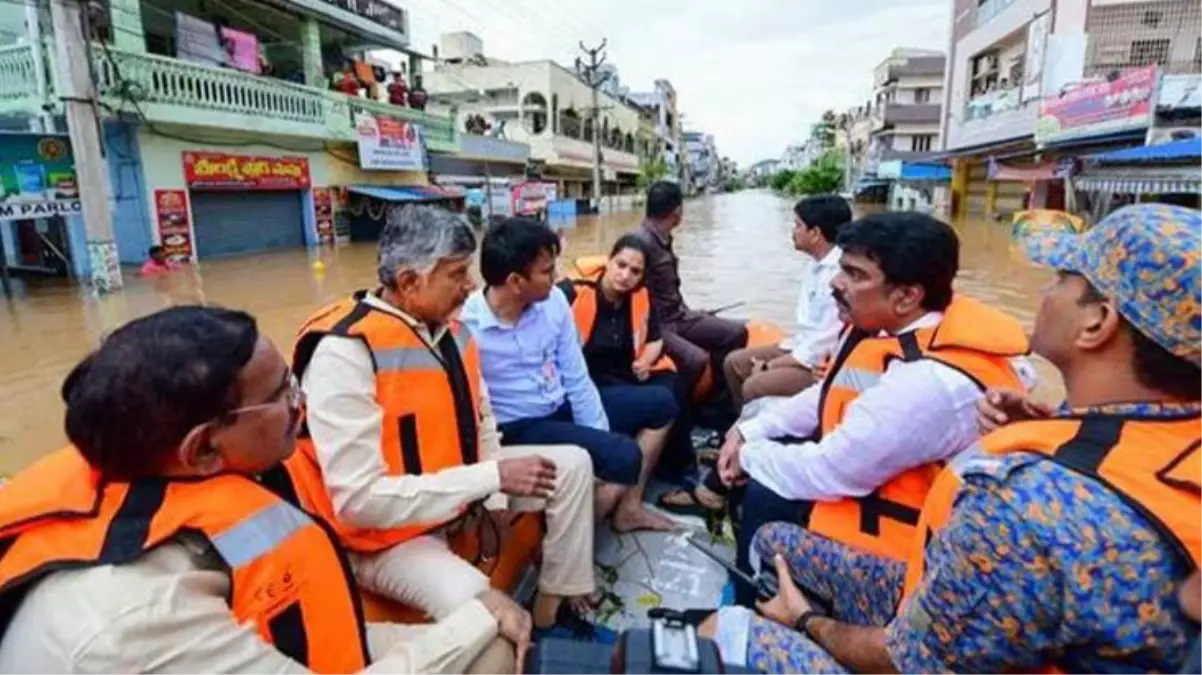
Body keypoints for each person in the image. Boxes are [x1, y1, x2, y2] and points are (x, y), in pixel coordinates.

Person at [705, 204, 1202, 673]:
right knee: (772, 539)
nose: (1043, 292)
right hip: (968, 590)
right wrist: (1043, 428)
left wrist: (804, 621)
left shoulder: (1024, 506)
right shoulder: (1159, 432)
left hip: (916, 635)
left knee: (721, 632)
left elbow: (907, 660)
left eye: (1060, 280)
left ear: (1098, 322)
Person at [0, 306, 523, 674]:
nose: (304, 403)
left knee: (485, 641)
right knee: (489, 645)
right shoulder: (133, 617)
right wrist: (479, 617)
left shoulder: (166, 469)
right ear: (203, 447)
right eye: (284, 392)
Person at [284, 206, 598, 647]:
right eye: (456, 274)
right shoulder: (344, 351)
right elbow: (358, 501)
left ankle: (553, 604)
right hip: (384, 540)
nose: (470, 285)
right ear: (411, 282)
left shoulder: (452, 330)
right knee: (488, 618)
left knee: (573, 466)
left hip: (453, 489)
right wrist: (489, 478)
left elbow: (482, 419)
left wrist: (494, 497)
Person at [717, 212, 1032, 606]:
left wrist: (746, 455)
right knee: (761, 427)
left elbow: (828, 471)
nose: (836, 281)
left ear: (907, 296)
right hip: (873, 474)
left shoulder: (927, 383)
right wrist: (750, 432)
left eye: (855, 274)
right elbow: (831, 392)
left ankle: (755, 607)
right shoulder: (904, 332)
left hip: (905, 560)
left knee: (763, 496)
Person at [458, 219, 658, 547]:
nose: (556, 278)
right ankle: (574, 537)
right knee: (622, 456)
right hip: (518, 425)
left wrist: (598, 437)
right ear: (515, 281)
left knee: (660, 406)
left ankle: (618, 510)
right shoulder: (465, 326)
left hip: (558, 404)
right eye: (547, 271)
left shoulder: (553, 304)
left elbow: (577, 377)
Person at [558, 234, 684, 532]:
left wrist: (647, 361)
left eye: (635, 271)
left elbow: (655, 339)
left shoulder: (640, 298)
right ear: (609, 261)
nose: (625, 275)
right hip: (581, 390)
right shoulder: (570, 294)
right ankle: (628, 506)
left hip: (621, 381)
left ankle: (651, 490)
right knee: (663, 404)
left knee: (673, 386)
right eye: (621, 265)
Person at [723, 195, 849, 409]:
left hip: (821, 363)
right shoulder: (815, 266)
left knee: (755, 384)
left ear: (816, 233)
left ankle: (753, 433)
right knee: (734, 363)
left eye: (798, 225)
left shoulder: (838, 276)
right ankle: (737, 423)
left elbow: (821, 345)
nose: (793, 231)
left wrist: (771, 366)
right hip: (801, 347)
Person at [631, 181, 748, 401]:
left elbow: (668, 289)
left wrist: (693, 312)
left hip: (678, 316)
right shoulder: (640, 243)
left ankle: (718, 405)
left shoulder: (661, 238)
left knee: (736, 333)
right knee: (696, 359)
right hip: (658, 325)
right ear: (677, 212)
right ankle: (684, 411)